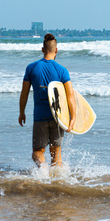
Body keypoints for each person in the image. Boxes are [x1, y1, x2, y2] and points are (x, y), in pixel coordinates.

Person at [18, 33, 76, 167]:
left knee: (38, 152)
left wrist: (22, 112)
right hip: (58, 117)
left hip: (40, 117)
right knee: (56, 154)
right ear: (56, 50)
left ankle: (42, 170)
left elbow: (24, 92)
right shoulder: (62, 70)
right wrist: (72, 118)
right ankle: (57, 182)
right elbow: (70, 95)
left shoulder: (31, 68)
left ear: (43, 49)